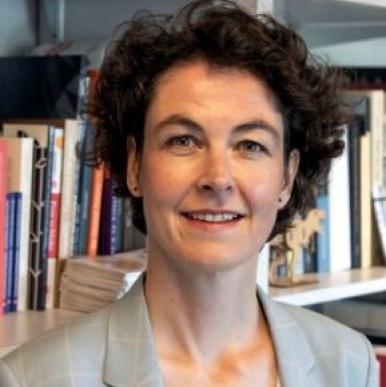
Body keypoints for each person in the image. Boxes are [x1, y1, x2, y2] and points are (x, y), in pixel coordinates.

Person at [0, 1, 379, 386]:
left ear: (286, 178)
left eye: (250, 145)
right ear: (134, 166)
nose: (217, 178)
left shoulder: (350, 363)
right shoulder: (32, 377)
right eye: (184, 140)